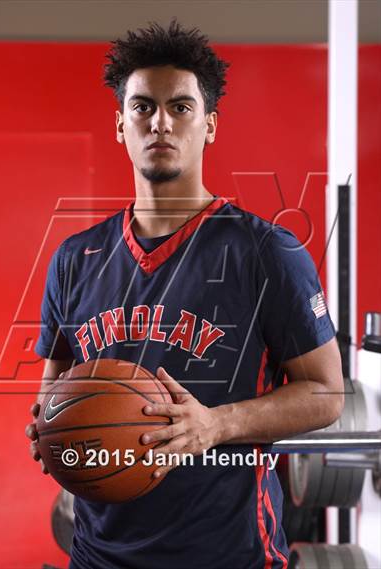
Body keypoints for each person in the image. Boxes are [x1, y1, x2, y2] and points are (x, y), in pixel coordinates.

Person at [25, 19, 344, 569]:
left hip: (227, 553)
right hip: (98, 555)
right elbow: (54, 390)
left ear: (209, 125)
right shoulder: (75, 259)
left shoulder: (266, 251)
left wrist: (217, 424)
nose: (161, 123)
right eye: (143, 107)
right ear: (121, 125)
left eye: (180, 107)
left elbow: (326, 393)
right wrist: (51, 426)